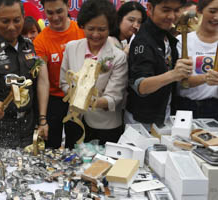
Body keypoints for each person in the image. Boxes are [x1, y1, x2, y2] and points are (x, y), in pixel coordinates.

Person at [0, 0, 50, 148]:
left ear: (23, 17)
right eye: (5, 21)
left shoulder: (29, 46)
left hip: (28, 128)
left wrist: (42, 120)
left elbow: (39, 83)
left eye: (17, 20)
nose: (12, 27)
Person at [60, 0, 128, 147]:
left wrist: (89, 101)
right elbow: (64, 82)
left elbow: (114, 97)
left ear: (110, 28)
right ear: (83, 25)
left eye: (102, 29)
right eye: (91, 29)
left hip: (105, 125)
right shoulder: (71, 48)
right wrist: (75, 95)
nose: (96, 34)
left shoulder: (118, 57)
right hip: (75, 120)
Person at [124, 0, 192, 130]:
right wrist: (174, 74)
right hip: (141, 122)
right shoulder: (142, 40)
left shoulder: (166, 36)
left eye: (177, 10)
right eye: (166, 10)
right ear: (150, 8)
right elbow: (141, 86)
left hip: (163, 116)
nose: (172, 16)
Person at [33, 0, 85, 149]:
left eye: (59, 11)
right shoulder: (40, 41)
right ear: (44, 11)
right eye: (50, 13)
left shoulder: (81, 31)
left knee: (76, 145)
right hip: (54, 99)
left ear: (68, 6)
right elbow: (43, 80)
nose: (55, 17)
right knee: (50, 146)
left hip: (78, 98)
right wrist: (43, 118)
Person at [175, 0, 218, 120]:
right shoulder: (182, 41)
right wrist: (205, 78)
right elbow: (182, 82)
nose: (216, 17)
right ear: (199, 11)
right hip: (186, 107)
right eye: (212, 11)